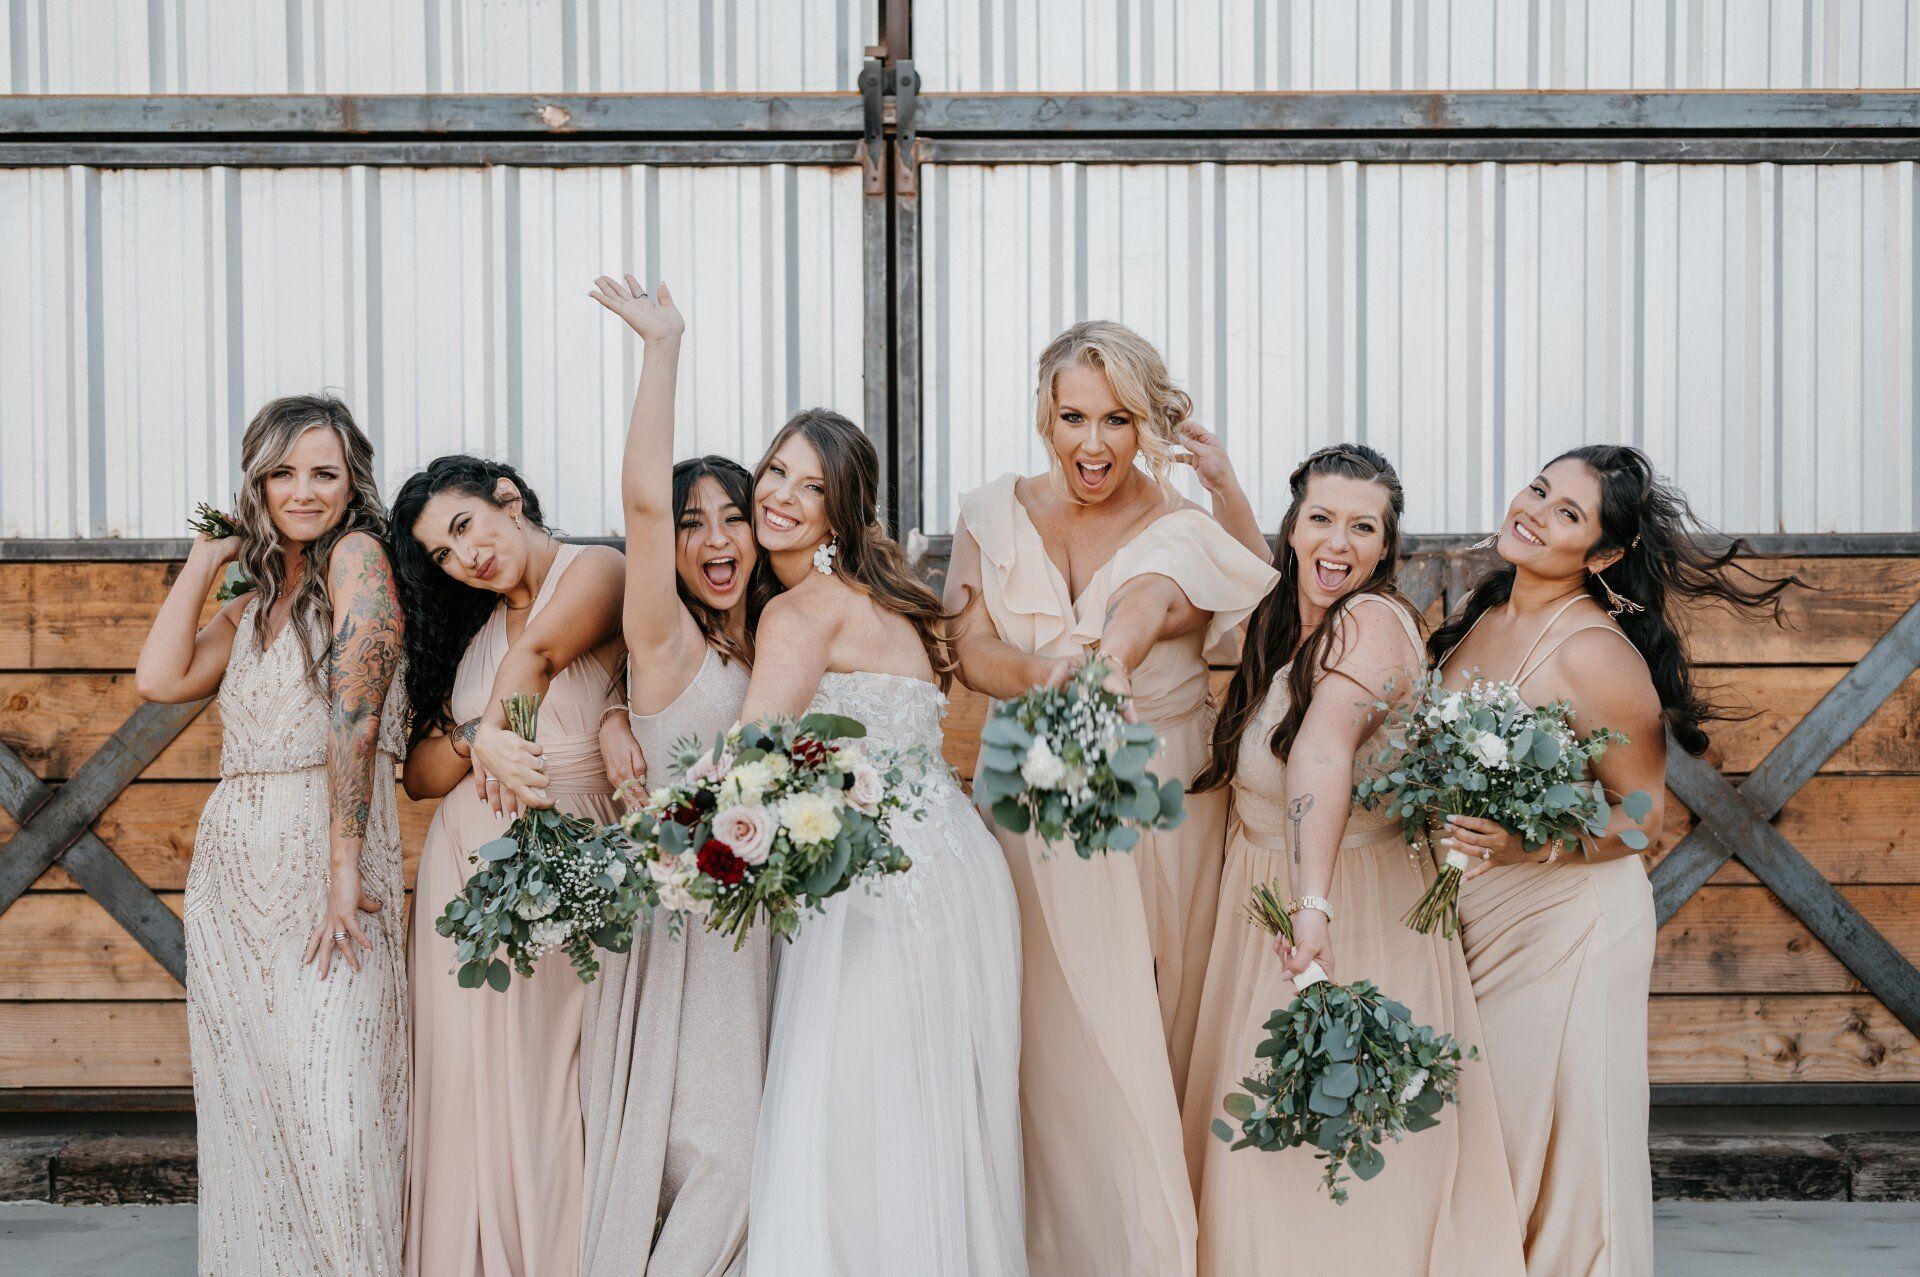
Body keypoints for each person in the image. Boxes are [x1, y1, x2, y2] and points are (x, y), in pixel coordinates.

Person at [943, 321, 1275, 1275]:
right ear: (1044, 416)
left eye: (1117, 420)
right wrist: (1043, 674)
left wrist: (1107, 661)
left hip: (1159, 795)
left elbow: (1164, 602)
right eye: (1074, 417)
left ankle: (1153, 1240)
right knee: (1045, 1028)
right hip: (1028, 791)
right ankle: (1056, 1246)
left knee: (1148, 1019)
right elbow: (970, 650)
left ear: (1146, 425)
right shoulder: (990, 513)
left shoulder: (1179, 527)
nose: (1093, 443)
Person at [1430, 444, 1796, 1275]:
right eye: (1538, 489)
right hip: (1478, 919)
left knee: (1555, 1155)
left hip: (1568, 925)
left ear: (1601, 554)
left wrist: (1527, 842)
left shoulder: (1595, 653)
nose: (1533, 512)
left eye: (1566, 512)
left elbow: (1643, 822)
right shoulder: (1484, 614)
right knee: (1477, 1144)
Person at [1180, 443, 1524, 1275]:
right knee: (1270, 1123)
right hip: (1264, 892)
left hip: (1345, 900)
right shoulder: (1290, 613)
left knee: (1336, 1126)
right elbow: (1262, 570)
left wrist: (1312, 906)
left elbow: (1323, 746)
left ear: (1386, 545)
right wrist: (1222, 483)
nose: (1338, 542)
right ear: (1294, 526)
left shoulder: (1368, 623)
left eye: (1362, 527)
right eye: (1321, 518)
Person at [739, 409, 1026, 1276]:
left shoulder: (799, 612)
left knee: (848, 1124)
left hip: (877, 888)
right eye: (777, 471)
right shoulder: (883, 600)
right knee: (924, 1120)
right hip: (952, 870)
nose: (782, 496)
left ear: (840, 511)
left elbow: (747, 763)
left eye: (811, 487)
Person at [134, 394, 408, 1274]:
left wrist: (343, 868)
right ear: (255, 482)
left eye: (325, 472)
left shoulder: (360, 558)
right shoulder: (257, 597)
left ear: (353, 482)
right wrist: (203, 560)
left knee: (338, 1108)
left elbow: (356, 717)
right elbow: (158, 677)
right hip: (233, 873)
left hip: (327, 859)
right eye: (282, 472)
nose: (303, 490)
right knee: (252, 1103)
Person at [574, 274, 772, 1277]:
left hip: (768, 928)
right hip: (692, 933)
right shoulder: (664, 639)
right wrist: (664, 350)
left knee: (765, 1148)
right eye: (696, 524)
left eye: (734, 516)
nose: (714, 539)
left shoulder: (776, 640)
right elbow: (643, 505)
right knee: (719, 1154)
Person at [389, 456, 627, 1277]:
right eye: (443, 554)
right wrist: (473, 739)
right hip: (466, 877)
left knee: (559, 1078)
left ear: (510, 499)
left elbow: (544, 654)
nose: (464, 558)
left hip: (570, 857)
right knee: (468, 1081)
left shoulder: (593, 569)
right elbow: (421, 776)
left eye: (465, 527)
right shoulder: (473, 627)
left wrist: (493, 730)